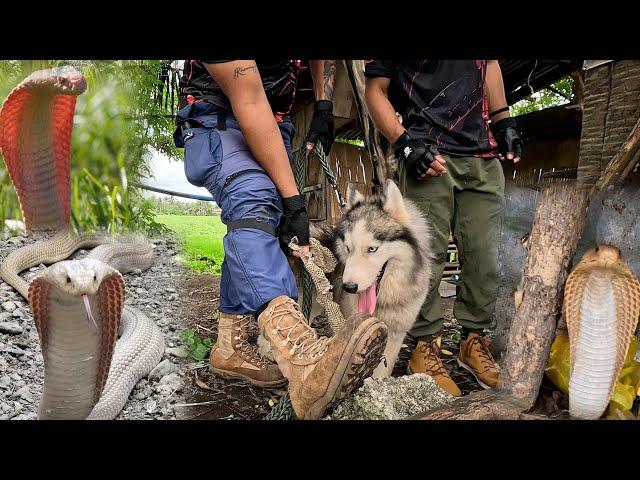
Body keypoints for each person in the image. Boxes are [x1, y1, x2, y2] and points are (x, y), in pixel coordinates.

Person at [174, 60, 387, 419]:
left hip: (272, 123)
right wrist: (293, 200)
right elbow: (250, 97)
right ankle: (300, 358)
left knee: (257, 223)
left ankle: (231, 345)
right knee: (253, 198)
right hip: (219, 121)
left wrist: (323, 103)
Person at [365, 60, 522, 397]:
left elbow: (490, 64)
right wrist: (404, 143)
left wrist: (504, 119)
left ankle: (472, 342)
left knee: (487, 258)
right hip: (428, 155)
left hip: (482, 157)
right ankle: (425, 347)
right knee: (427, 262)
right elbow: (374, 91)